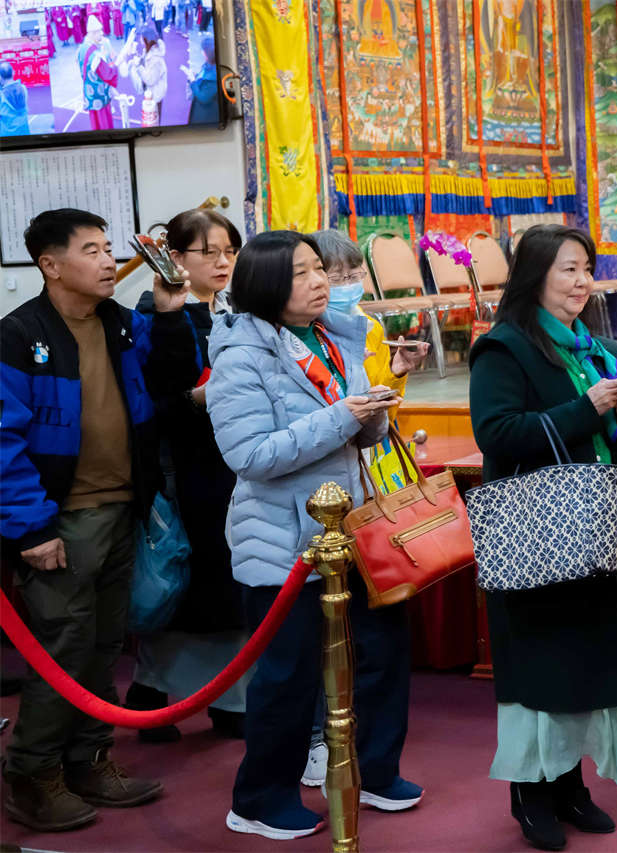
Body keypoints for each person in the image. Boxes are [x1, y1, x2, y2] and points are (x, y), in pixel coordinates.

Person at [207, 231, 421, 841]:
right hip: (282, 541)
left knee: (382, 653)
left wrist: (373, 410)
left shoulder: (333, 336)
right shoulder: (241, 356)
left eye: (319, 269)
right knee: (288, 675)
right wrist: (343, 415)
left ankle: (373, 771)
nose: (321, 281)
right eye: (302, 273)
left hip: (350, 530)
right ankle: (258, 799)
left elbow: (358, 435)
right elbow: (250, 456)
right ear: (268, 284)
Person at [0, 208, 196, 832]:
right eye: (91, 250)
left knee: (106, 644)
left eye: (109, 248)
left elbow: (174, 379)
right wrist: (31, 529)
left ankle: (87, 759)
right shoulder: (17, 336)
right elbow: (2, 441)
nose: (109, 260)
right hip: (60, 521)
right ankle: (31, 774)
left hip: (121, 507)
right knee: (64, 647)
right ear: (50, 265)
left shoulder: (122, 324)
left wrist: (171, 312)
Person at [468, 224, 617, 852]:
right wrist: (589, 407)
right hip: (540, 528)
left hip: (597, 519)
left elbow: (607, 437)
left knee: (588, 658)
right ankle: (530, 793)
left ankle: (572, 786)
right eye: (568, 269)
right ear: (535, 275)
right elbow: (497, 434)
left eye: (586, 269)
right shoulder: (503, 348)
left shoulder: (594, 348)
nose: (582, 282)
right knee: (543, 663)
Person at [298, 229, 429, 786]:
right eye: (338, 275)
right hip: (322, 497)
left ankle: (374, 761)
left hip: (373, 481)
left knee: (378, 632)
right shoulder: (297, 339)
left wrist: (395, 373)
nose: (349, 284)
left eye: (355, 274)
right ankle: (316, 741)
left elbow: (379, 412)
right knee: (318, 634)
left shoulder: (366, 328)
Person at [124, 210, 249, 742]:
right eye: (209, 252)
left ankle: (228, 698)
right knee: (181, 590)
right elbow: (155, 397)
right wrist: (198, 399)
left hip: (228, 467)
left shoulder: (232, 310)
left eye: (230, 251)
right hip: (182, 469)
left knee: (227, 590)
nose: (223, 262)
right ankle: (155, 695)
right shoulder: (154, 314)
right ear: (175, 258)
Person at [76, 15, 120, 131]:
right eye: (99, 31)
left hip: (89, 91)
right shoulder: (96, 55)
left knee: (95, 122)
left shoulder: (81, 48)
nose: (102, 33)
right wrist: (116, 65)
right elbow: (108, 74)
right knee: (104, 124)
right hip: (99, 93)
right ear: (93, 33)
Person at [123, 25, 166, 126]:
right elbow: (144, 61)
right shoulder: (149, 49)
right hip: (151, 91)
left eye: (142, 38)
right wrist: (138, 59)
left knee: (154, 119)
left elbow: (150, 80)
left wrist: (138, 66)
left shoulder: (156, 59)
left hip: (155, 93)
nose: (140, 41)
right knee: (150, 118)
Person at [184, 34, 219, 125]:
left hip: (205, 114)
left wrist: (193, 82)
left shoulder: (214, 77)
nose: (202, 52)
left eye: (203, 50)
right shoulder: (209, 64)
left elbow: (204, 98)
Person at [0, 62, 30, 137]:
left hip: (7, 135)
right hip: (24, 132)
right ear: (13, 73)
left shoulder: (1, 95)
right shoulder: (23, 88)